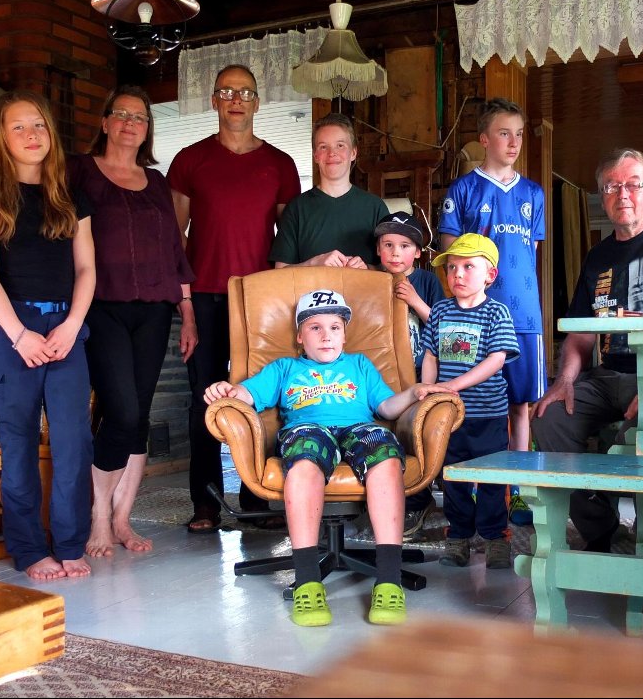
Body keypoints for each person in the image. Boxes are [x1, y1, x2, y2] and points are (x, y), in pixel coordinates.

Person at [204, 289, 453, 626]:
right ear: (299, 336)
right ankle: (308, 582)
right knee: (304, 462)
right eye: (315, 327)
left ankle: (389, 580)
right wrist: (226, 391)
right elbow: (246, 394)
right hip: (307, 428)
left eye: (335, 327)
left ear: (345, 335)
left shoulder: (360, 364)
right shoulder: (285, 367)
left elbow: (386, 407)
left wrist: (414, 393)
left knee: (385, 456)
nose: (326, 336)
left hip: (359, 427)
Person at [532, 148, 643, 557]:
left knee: (640, 432)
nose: (623, 193)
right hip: (609, 378)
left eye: (633, 184)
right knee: (549, 420)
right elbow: (580, 336)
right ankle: (598, 527)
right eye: (612, 186)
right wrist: (564, 381)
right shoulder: (598, 255)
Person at [0, 90, 96, 581]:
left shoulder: (70, 196)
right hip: (13, 331)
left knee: (73, 442)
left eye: (38, 125)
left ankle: (69, 544)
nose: (31, 135)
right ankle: (28, 549)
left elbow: (86, 269)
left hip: (65, 328)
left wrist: (71, 326)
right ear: (1, 137)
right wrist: (20, 334)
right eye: (19, 127)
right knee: (18, 442)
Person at [169, 64, 301, 533]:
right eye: (226, 91)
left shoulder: (280, 164)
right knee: (203, 400)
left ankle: (258, 496)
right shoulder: (190, 160)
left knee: (261, 400)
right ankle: (205, 502)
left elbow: (290, 242)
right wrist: (184, 309)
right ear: (214, 101)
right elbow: (173, 239)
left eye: (245, 92)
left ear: (257, 101)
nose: (236, 100)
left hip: (261, 301)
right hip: (203, 296)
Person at [69, 85, 197, 558]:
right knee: (119, 412)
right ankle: (98, 515)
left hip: (153, 310)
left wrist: (187, 313)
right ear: (104, 123)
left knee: (138, 417)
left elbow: (173, 251)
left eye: (139, 117)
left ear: (147, 129)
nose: (129, 123)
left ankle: (123, 518)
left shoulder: (157, 182)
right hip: (100, 304)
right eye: (120, 114)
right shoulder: (78, 171)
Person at [438, 98, 546, 526]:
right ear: (484, 138)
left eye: (519, 133)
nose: (514, 141)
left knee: (521, 406)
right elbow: (449, 250)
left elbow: (530, 253)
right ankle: (472, 499)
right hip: (473, 318)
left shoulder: (533, 193)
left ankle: (516, 491)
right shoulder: (464, 189)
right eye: (504, 133)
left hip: (525, 318)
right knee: (474, 403)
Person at [421, 234, 519, 569]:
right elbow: (431, 354)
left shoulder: (496, 312)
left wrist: (453, 386)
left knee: (492, 478)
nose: (457, 274)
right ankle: (458, 537)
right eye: (451, 268)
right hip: (449, 417)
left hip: (487, 413)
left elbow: (496, 359)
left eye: (467, 266)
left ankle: (495, 538)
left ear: (489, 275)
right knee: (453, 478)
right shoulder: (440, 311)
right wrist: (428, 388)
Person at [373, 211, 445, 537]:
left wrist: (415, 300)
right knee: (381, 435)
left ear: (417, 252)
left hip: (418, 373)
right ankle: (379, 502)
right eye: (388, 245)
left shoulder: (427, 282)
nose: (395, 253)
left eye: (404, 246)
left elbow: (445, 330)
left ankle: (417, 501)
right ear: (377, 250)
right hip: (380, 375)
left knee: (413, 435)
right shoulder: (371, 280)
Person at [270, 112, 389, 269]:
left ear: (353, 152)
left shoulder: (375, 207)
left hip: (363, 294)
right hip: (309, 293)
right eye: (323, 147)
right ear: (315, 156)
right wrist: (314, 263)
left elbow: (392, 269)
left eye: (340, 145)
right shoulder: (297, 209)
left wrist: (367, 268)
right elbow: (280, 270)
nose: (332, 153)